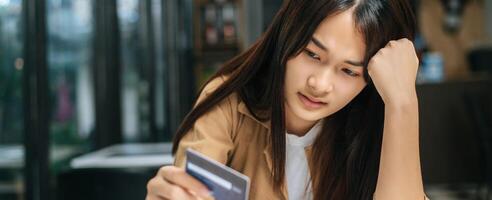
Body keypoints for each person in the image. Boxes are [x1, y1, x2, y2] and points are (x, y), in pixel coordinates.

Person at [147, 0, 429, 199]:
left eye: (348, 71)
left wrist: (402, 103)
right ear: (287, 35)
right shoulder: (230, 101)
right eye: (311, 54)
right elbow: (188, 187)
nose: (319, 84)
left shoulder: (373, 125)